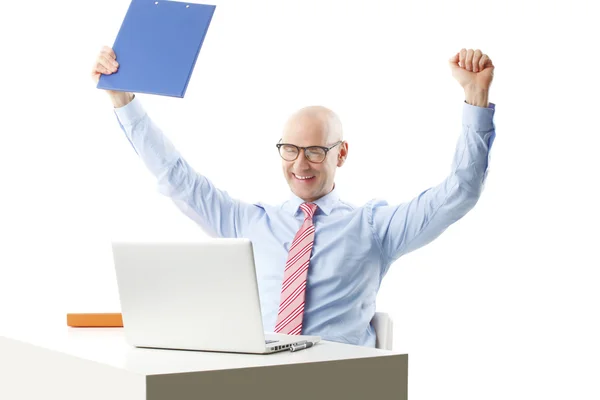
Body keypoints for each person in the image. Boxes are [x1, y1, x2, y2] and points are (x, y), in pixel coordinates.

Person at [92, 46, 496, 347]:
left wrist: (475, 99)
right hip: (257, 378)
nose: (301, 164)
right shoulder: (249, 222)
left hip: (337, 382)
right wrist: (123, 102)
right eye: (290, 150)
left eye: (316, 151)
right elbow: (176, 178)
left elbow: (458, 192)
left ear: (341, 153)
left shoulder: (374, 226)